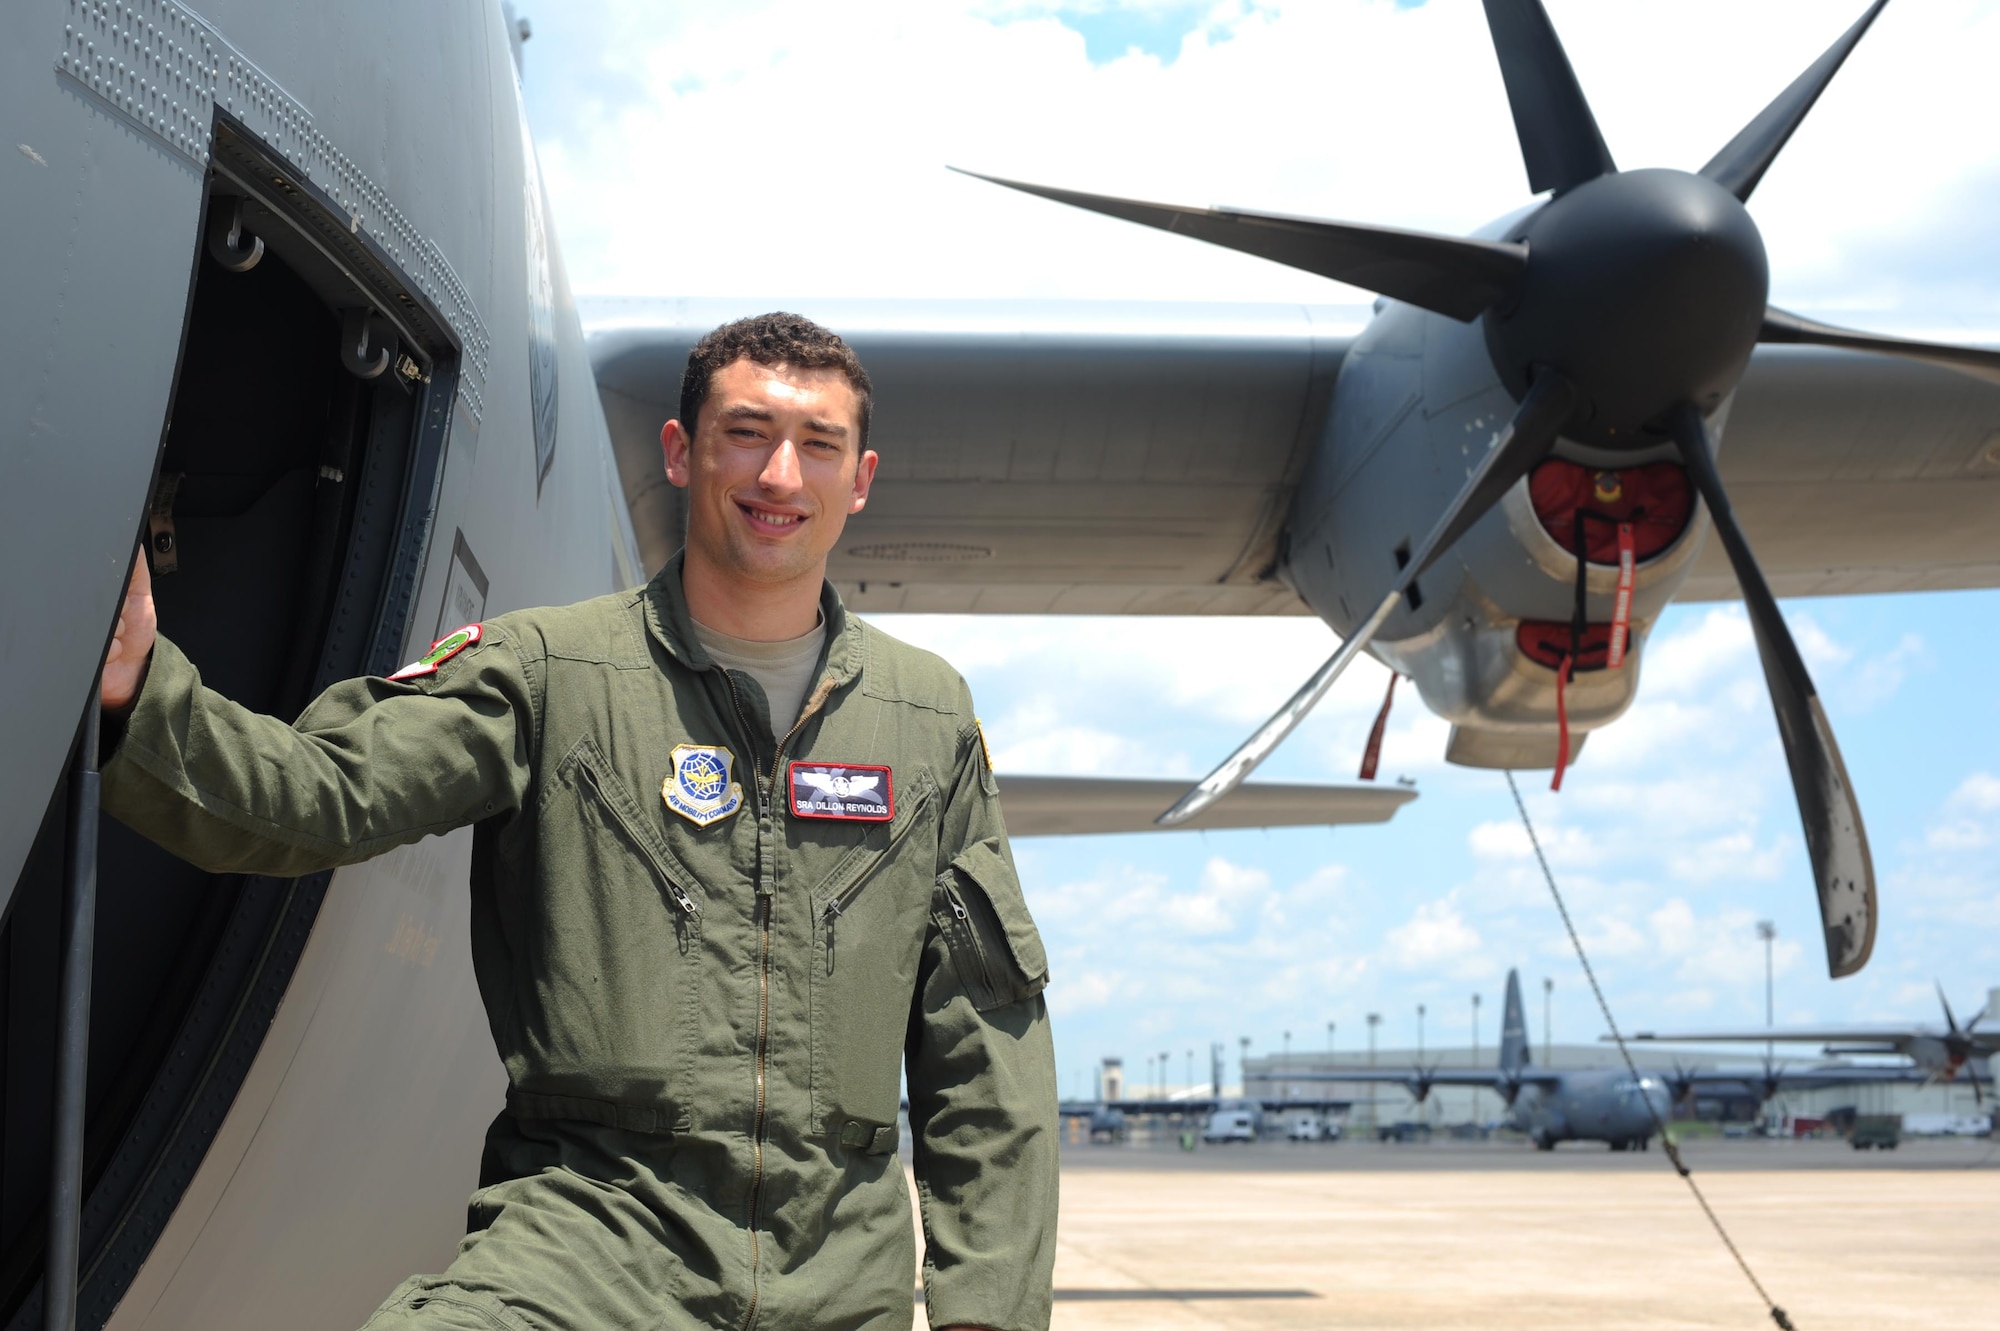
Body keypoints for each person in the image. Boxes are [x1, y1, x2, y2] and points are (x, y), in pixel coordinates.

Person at [98, 313, 1057, 1331]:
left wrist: (980, 1313)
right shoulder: (548, 673)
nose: (781, 474)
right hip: (590, 1240)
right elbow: (315, 795)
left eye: (816, 444)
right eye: (746, 432)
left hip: (838, 1271)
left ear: (858, 478)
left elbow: (982, 1042)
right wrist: (137, 692)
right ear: (681, 452)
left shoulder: (925, 717)